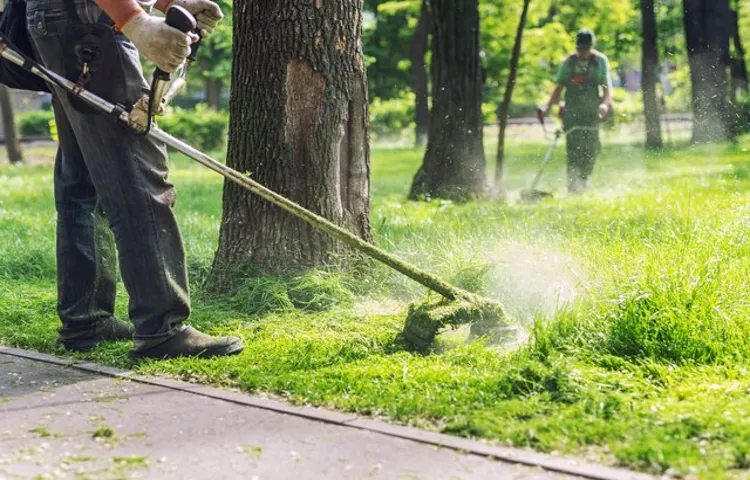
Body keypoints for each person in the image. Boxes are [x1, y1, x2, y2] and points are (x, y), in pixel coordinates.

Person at [25, 0, 243, 358]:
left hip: (62, 18)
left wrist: (166, 3)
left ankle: (86, 320)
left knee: (85, 177)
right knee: (136, 172)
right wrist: (135, 20)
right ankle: (162, 328)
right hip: (87, 19)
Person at [537, 28, 613, 194]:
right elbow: (558, 88)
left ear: (592, 46)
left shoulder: (600, 61)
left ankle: (583, 181)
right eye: (580, 48)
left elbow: (607, 88)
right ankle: (573, 188)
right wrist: (547, 108)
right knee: (573, 150)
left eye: (585, 48)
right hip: (572, 112)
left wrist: (605, 105)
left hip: (592, 112)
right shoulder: (569, 62)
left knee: (591, 149)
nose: (582, 52)